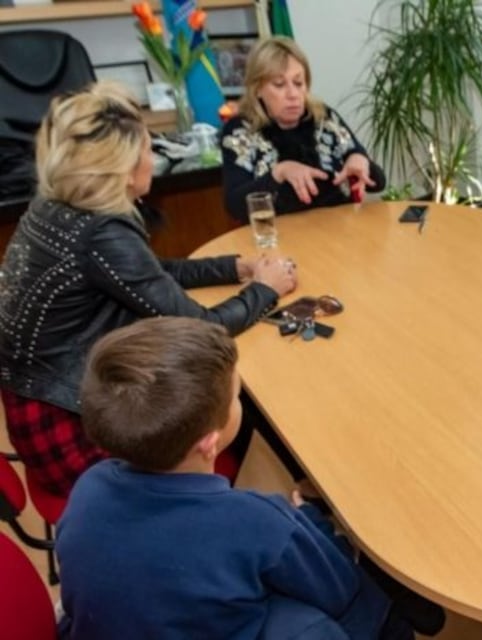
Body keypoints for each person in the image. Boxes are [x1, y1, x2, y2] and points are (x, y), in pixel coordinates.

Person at [0, 82, 297, 496]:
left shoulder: (60, 207)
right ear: (123, 169)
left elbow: (150, 271)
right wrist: (265, 288)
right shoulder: (101, 233)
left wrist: (235, 266)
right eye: (146, 148)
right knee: (243, 408)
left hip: (41, 398)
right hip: (69, 425)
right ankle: (230, 511)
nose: (152, 159)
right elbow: (203, 327)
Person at [56, 316, 413, 639]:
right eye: (237, 397)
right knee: (366, 605)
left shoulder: (90, 485)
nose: (238, 402)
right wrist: (310, 519)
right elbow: (337, 588)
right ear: (210, 443)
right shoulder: (255, 519)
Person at [221, 36, 386, 222]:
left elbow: (377, 183)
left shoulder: (323, 117)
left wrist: (360, 158)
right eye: (279, 85)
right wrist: (279, 173)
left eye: (298, 83)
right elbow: (234, 205)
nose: (293, 94)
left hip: (338, 229)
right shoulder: (241, 130)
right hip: (281, 235)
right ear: (257, 89)